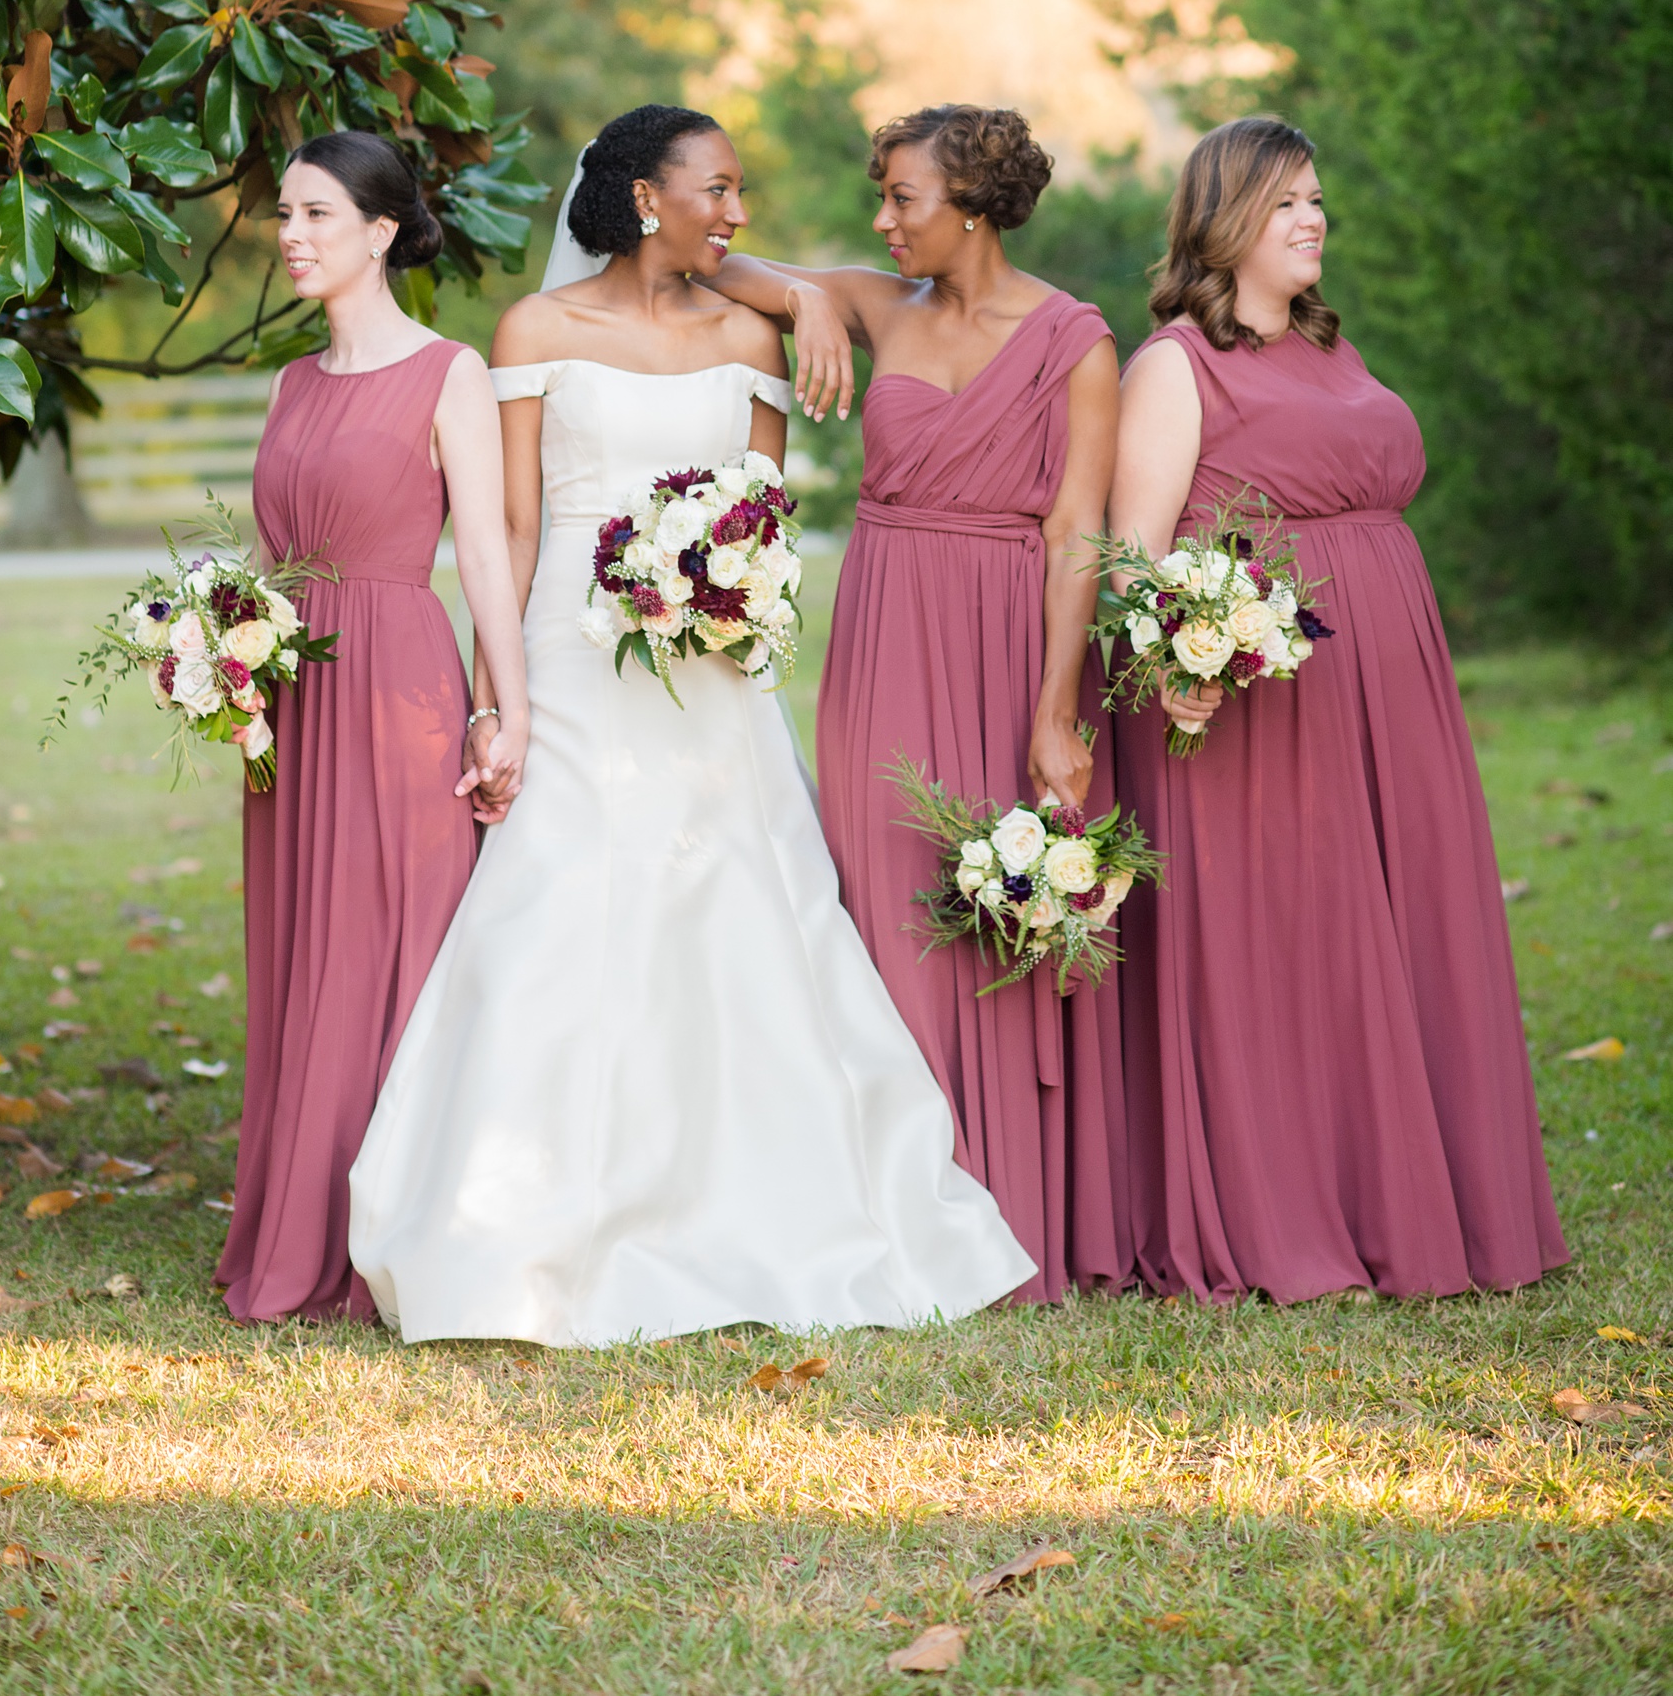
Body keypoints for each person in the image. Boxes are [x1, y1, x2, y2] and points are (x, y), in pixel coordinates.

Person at [348, 105, 1034, 1344]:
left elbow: (759, 520)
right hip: (569, 655)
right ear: (644, 196)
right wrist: (497, 694)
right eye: (715, 186)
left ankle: (765, 1203)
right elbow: (504, 530)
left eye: (741, 188)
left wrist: (729, 608)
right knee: (553, 912)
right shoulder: (537, 328)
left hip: (712, 673)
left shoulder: (749, 333)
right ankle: (523, 1225)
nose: (737, 210)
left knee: (744, 909)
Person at [1109, 115, 1566, 1300]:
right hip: (1267, 695)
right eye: (1285, 202)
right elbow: (1128, 557)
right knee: (1293, 937)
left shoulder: (1328, 343)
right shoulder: (1172, 363)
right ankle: (1297, 1209)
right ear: (1225, 221)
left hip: (1388, 676)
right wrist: (1182, 650)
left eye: (1316, 199)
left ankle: (1422, 1193)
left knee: (1406, 913)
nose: (1312, 219)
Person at [703, 103, 1127, 1301]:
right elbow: (709, 257)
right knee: (883, 899)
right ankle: (894, 1206)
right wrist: (808, 296)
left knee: (995, 904)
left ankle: (1011, 1204)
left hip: (1004, 631)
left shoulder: (1074, 340)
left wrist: (1054, 710)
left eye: (904, 199)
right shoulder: (881, 305)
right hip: (884, 630)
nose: (882, 220)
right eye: (879, 197)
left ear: (976, 207)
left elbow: (1075, 531)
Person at [218, 131, 529, 1324]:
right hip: (289, 697)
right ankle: (296, 1216)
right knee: (304, 947)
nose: (290, 234)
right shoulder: (292, 381)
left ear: (381, 232)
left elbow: (488, 558)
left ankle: (394, 1226)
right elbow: (262, 557)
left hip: (398, 684)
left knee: (387, 944)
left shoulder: (448, 370)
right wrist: (218, 652)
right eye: (284, 214)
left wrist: (504, 708)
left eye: (314, 215)